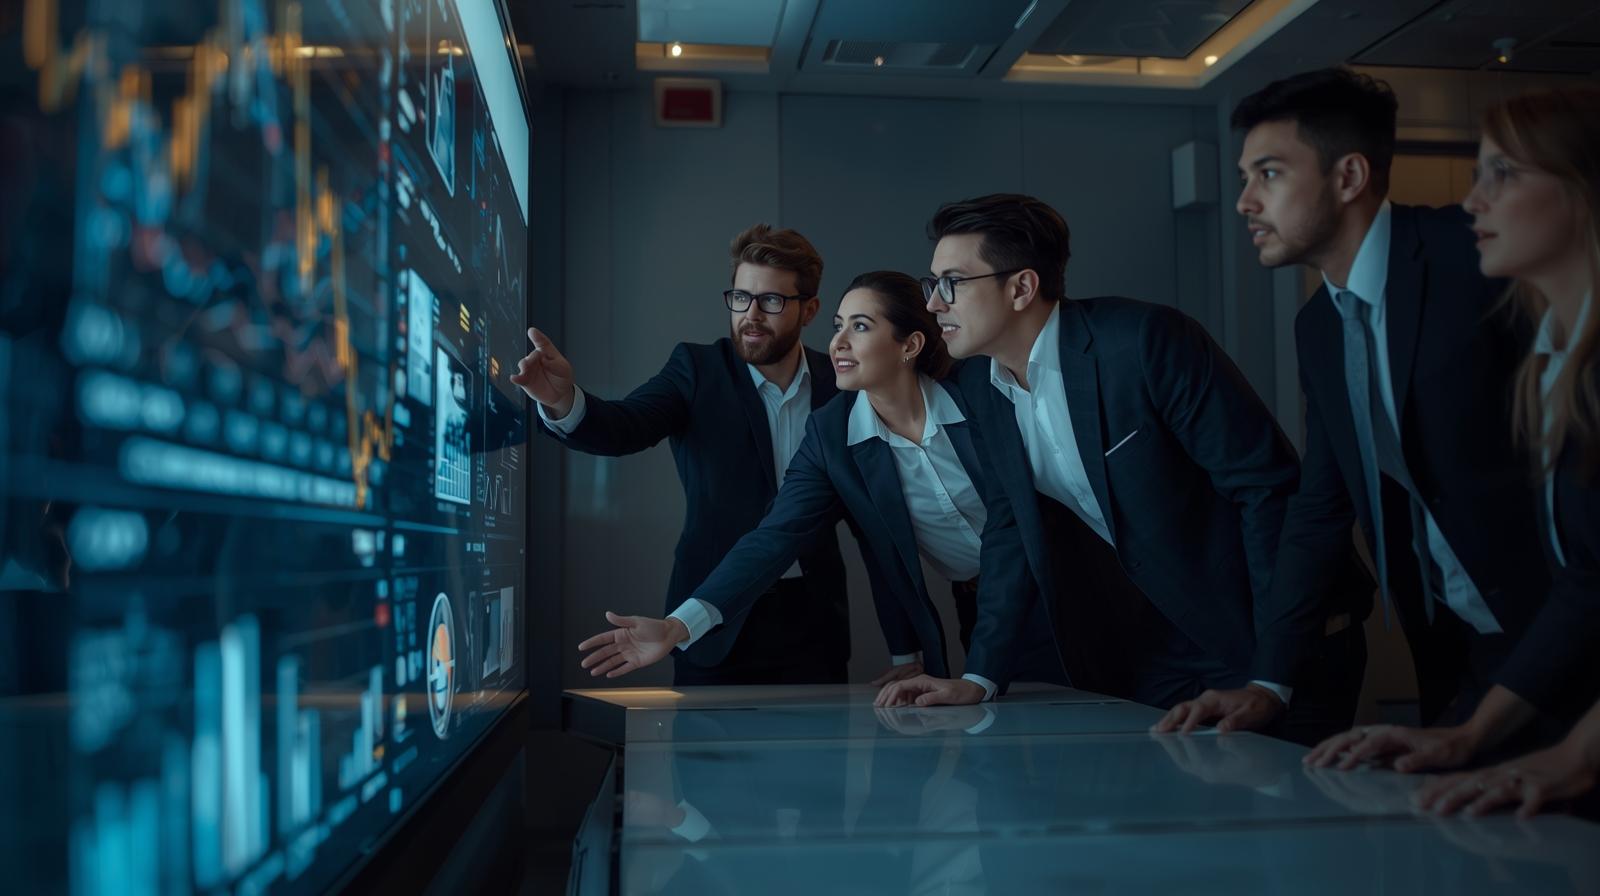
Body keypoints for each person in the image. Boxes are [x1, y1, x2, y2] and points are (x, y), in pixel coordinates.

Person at [877, 193, 1370, 746]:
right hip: (1159, 645)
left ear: (1021, 287)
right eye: (931, 284)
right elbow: (1011, 528)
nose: (935, 305)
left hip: (1276, 629)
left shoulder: (1144, 342)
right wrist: (980, 677)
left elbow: (1264, 492)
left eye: (953, 284)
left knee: (1297, 818)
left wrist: (1272, 666)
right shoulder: (979, 388)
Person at [1216, 68, 1557, 766]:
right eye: (1246, 177)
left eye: (1270, 174)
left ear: (1348, 177)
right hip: (1452, 644)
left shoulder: (1480, 259)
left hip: (1560, 629)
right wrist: (1269, 681)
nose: (1246, 202)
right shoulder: (1318, 326)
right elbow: (1319, 507)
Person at [575, 271, 1060, 687]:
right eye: (838, 327)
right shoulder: (832, 434)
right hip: (979, 605)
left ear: (910, 344)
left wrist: (967, 673)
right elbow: (774, 536)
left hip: (1064, 581)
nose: (838, 343)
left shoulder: (983, 391)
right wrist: (678, 626)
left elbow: (1013, 525)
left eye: (861, 326)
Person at [510, 224, 852, 686]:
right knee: (701, 759)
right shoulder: (696, 369)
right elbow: (624, 426)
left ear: (809, 309)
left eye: (771, 301)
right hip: (706, 621)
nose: (751, 315)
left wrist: (904, 646)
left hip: (813, 622)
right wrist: (563, 400)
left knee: (817, 758)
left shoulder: (841, 381)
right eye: (740, 297)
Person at [1402, 87, 1600, 817]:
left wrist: (1575, 757)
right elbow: (1590, 581)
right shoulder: (1555, 361)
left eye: (1503, 175)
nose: (1472, 202)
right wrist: (1471, 734)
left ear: (1585, 191)